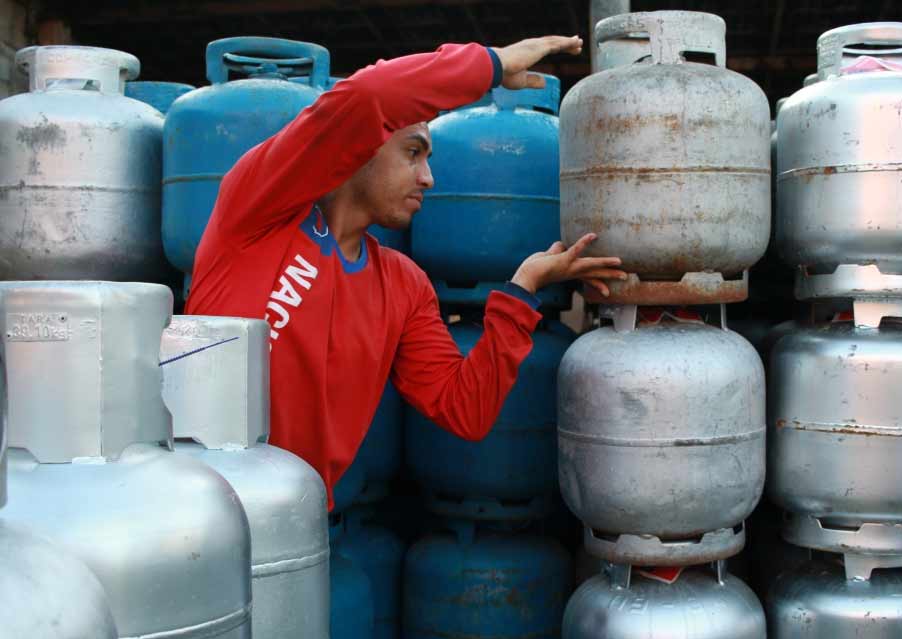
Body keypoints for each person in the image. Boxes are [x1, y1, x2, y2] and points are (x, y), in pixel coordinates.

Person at [185, 35, 625, 508]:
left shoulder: (402, 284)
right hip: (197, 511)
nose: (429, 178)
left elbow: (466, 409)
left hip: (293, 529)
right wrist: (488, 65)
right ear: (360, 147)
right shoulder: (257, 213)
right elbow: (367, 97)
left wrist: (523, 290)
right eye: (413, 153)